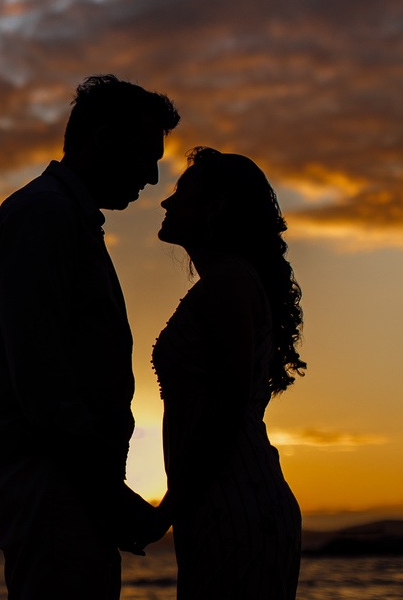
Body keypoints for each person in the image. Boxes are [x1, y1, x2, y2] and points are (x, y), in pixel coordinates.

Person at [0, 74, 180, 599]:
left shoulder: (64, 219)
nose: (153, 177)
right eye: (144, 154)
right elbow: (41, 378)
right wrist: (108, 493)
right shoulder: (44, 215)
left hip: (69, 480)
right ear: (103, 141)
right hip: (52, 478)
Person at [150, 147, 305, 599]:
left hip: (236, 505)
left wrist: (166, 510)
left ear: (215, 207)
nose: (166, 202)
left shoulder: (229, 283)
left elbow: (229, 407)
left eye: (181, 193)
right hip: (220, 503)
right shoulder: (227, 282)